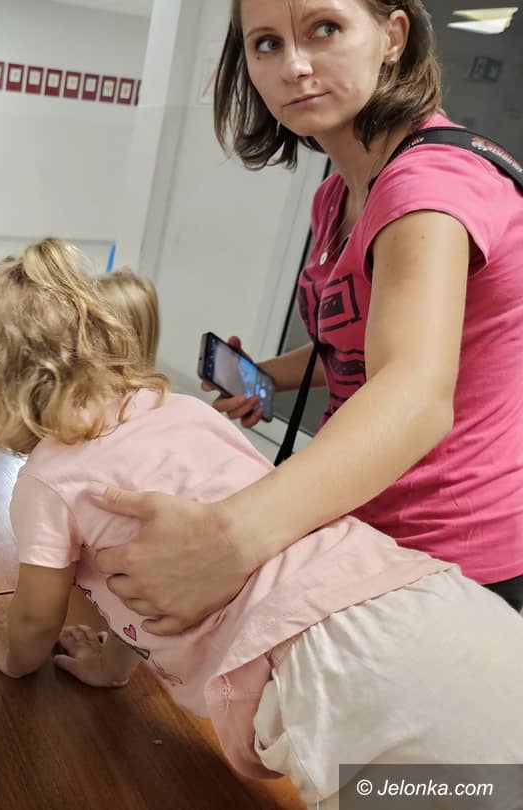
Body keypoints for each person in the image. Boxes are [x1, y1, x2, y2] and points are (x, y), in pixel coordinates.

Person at [0, 238, 523, 810]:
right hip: (428, 601)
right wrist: (113, 666)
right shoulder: (178, 408)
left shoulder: (47, 481)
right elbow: (147, 570)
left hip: (339, 679)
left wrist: (14, 656)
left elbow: (37, 619)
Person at [93, 0, 523, 632]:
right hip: (357, 508)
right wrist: (265, 377)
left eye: (325, 29)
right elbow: (356, 346)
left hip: (447, 550)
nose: (293, 66)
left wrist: (227, 541)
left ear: (392, 37)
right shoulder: (337, 193)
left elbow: (414, 394)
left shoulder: (427, 188)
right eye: (266, 43)